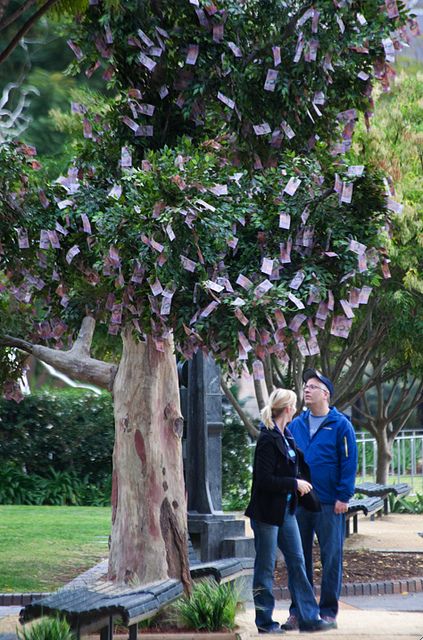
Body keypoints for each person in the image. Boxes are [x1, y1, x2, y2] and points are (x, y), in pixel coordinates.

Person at [245, 388, 337, 634]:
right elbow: (264, 480)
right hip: (266, 514)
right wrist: (294, 484)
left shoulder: (287, 436)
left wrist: (299, 483)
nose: (297, 408)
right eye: (294, 404)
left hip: (287, 511)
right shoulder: (268, 438)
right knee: (265, 567)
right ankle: (264, 622)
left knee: (297, 561)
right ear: (288, 408)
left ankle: (308, 617)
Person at [283, 368, 358, 631]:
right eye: (306, 385)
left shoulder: (341, 426)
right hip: (300, 503)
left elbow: (349, 462)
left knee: (331, 558)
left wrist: (344, 496)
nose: (307, 389)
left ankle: (327, 612)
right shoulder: (295, 424)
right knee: (297, 558)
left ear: (325, 394)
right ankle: (299, 612)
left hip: (329, 503)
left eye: (313, 386)